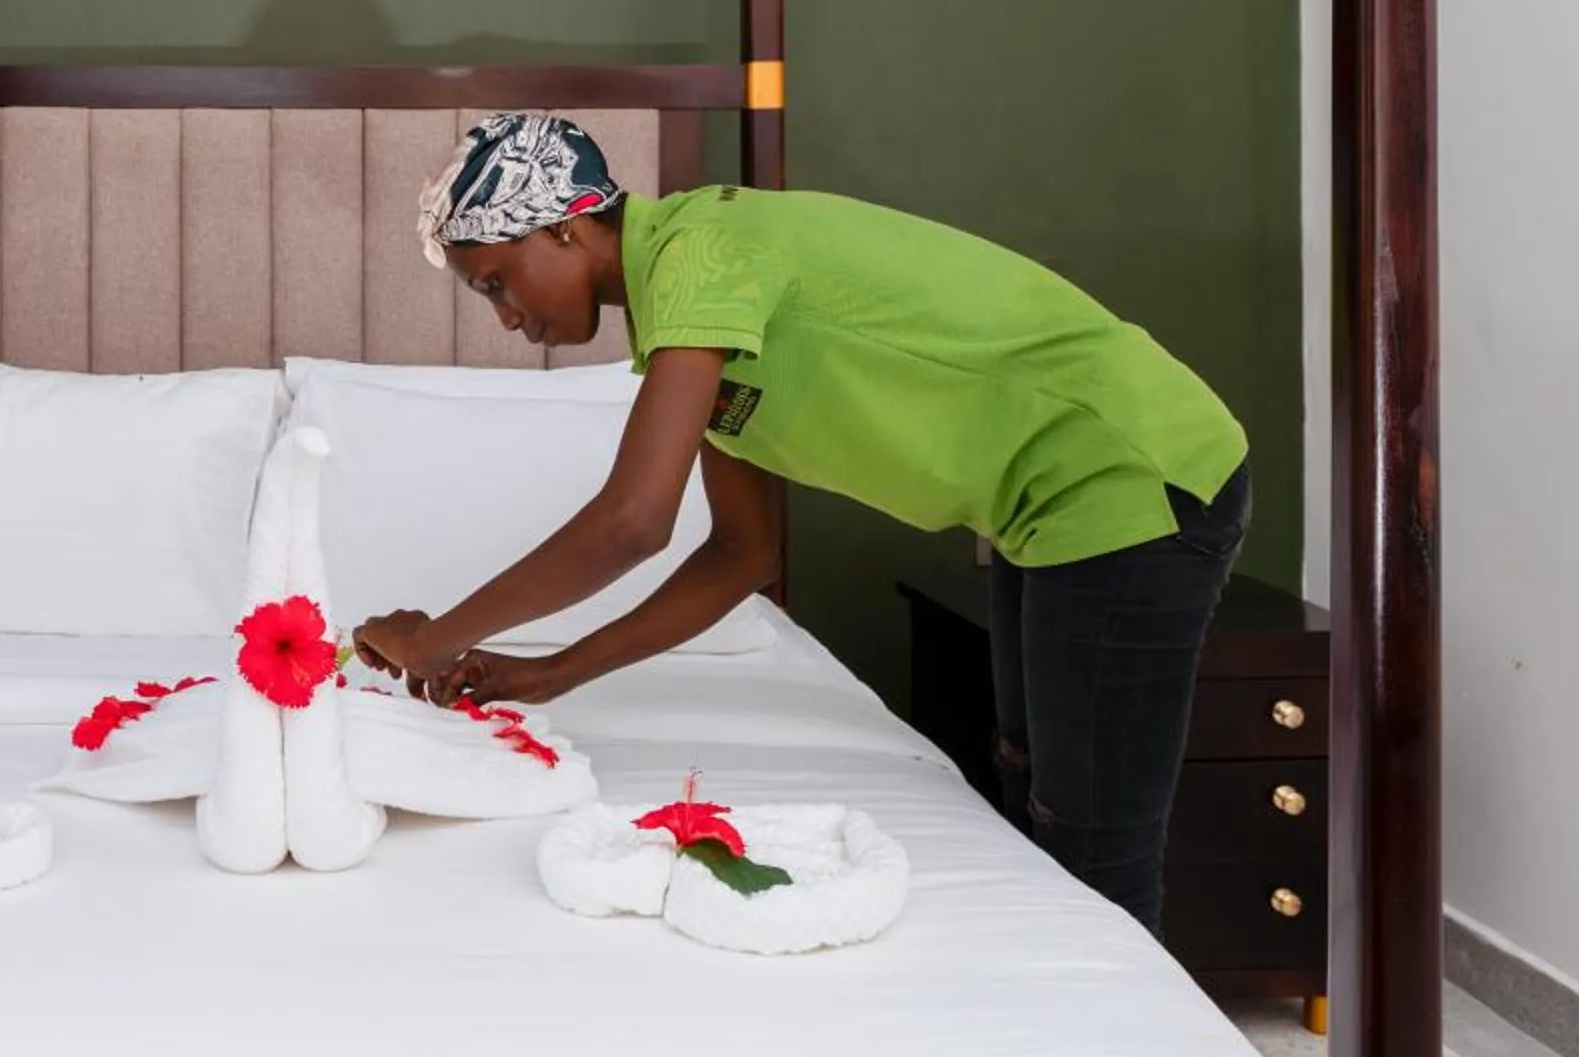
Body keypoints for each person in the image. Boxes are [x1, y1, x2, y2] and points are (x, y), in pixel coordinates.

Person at [349, 112, 1251, 936]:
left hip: (1130, 475)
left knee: (1093, 837)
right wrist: (556, 672)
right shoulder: (684, 319)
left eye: (498, 282)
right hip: (1044, 507)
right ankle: (1066, 1047)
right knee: (1030, 781)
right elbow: (744, 553)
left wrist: (439, 636)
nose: (508, 318)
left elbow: (632, 522)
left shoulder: (703, 250)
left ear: (566, 225)